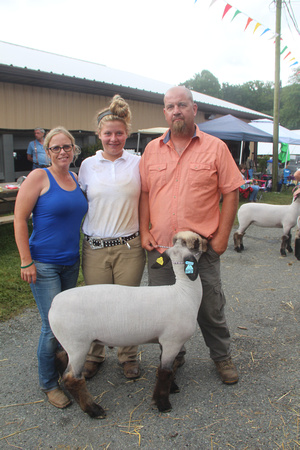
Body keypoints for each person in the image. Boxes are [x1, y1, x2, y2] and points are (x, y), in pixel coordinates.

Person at [139, 86, 244, 385]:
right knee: (164, 308)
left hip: (199, 253)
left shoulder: (215, 148)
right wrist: (144, 228)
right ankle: (173, 358)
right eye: (170, 106)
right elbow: (145, 192)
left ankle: (222, 357)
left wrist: (223, 237)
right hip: (161, 253)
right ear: (164, 112)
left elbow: (231, 192)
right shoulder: (151, 150)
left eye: (182, 105)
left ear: (194, 109)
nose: (176, 111)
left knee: (209, 306)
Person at [14, 127, 88, 409]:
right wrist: (26, 260)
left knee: (66, 323)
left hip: (70, 262)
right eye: (55, 148)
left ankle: (63, 368)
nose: (62, 152)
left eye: (66, 146)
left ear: (73, 149)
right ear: (46, 152)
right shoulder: (38, 177)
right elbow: (20, 219)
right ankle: (48, 383)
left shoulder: (74, 177)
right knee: (51, 326)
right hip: (43, 263)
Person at [78, 95, 145, 380]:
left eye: (119, 133)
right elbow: (78, 202)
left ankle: (128, 356)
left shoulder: (138, 163)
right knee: (97, 304)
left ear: (127, 134)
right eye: (108, 133)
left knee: (127, 305)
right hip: (95, 248)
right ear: (99, 135)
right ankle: (95, 353)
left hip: (130, 246)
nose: (114, 138)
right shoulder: (87, 166)